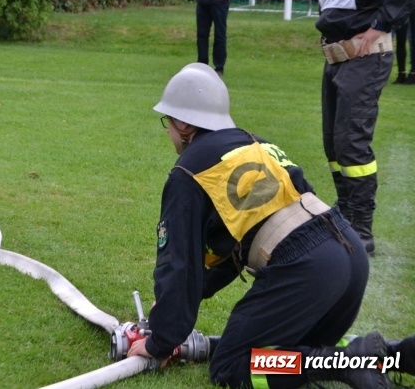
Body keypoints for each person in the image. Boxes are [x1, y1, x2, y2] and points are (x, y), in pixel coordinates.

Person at [126, 62, 413, 388]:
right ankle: (393, 355)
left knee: (231, 367)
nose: (169, 132)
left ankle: (343, 365)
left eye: (168, 122)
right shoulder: (254, 144)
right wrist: (170, 310)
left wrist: (159, 341)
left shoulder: (188, 173)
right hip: (348, 254)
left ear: (182, 123)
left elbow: (179, 264)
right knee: (292, 353)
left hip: (305, 269)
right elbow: (231, 252)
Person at [315, 0, 415, 255]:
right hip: (335, 56)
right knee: (332, 144)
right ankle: (345, 213)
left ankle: (362, 226)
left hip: (366, 58)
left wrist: (379, 27)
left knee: (351, 143)